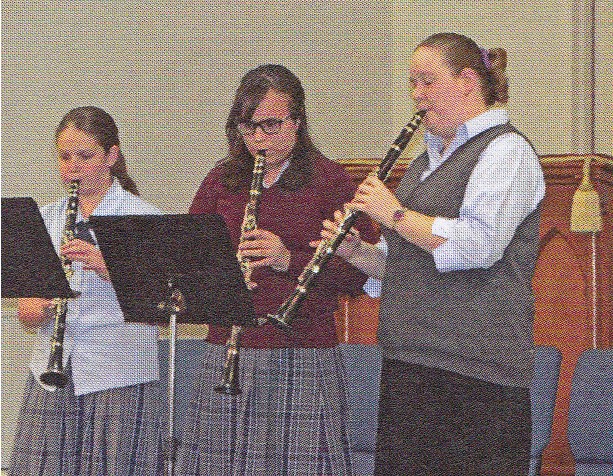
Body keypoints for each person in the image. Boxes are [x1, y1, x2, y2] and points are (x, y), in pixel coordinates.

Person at [319, 33, 546, 475]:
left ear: (466, 82)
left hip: (477, 376)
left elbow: (477, 245)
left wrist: (395, 213)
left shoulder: (507, 150)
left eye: (427, 81)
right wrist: (359, 253)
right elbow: (408, 262)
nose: (417, 96)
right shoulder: (425, 163)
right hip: (410, 364)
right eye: (412, 84)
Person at [178, 64, 376, 476]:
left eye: (271, 125)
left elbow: (360, 275)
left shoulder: (330, 181)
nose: (258, 139)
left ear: (298, 121)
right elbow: (189, 260)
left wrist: (290, 261)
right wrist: (222, 274)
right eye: (247, 127)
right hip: (227, 350)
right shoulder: (221, 180)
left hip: (300, 351)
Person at [9, 106, 164, 476]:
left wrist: (109, 268)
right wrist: (37, 307)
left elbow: (163, 304)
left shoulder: (142, 217)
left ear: (111, 156)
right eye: (64, 157)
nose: (72, 167)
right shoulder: (45, 218)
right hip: (52, 369)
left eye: (85, 156)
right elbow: (27, 313)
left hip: (118, 371)